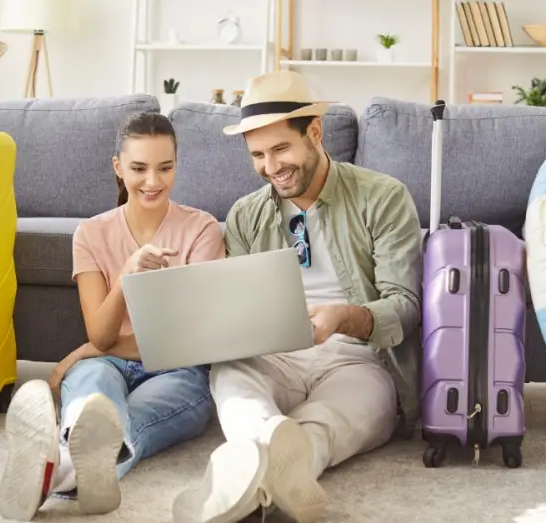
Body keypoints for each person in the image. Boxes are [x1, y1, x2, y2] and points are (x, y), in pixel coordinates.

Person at [172, 70, 424, 523]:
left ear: (314, 132)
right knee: (231, 372)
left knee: (331, 421)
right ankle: (271, 462)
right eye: (258, 156)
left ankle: (257, 476)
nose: (271, 167)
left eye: (281, 149)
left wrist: (342, 317)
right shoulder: (246, 214)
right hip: (275, 356)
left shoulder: (382, 197)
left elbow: (404, 307)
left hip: (358, 358)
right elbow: (237, 309)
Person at [0, 111, 223, 521]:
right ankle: (70, 468)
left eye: (165, 168)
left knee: (113, 416)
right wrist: (126, 274)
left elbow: (190, 339)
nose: (152, 181)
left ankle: (54, 469)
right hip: (108, 362)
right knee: (93, 397)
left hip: (178, 370)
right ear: (118, 167)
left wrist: (84, 349)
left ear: (177, 165)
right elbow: (102, 335)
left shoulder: (202, 230)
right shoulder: (92, 233)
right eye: (138, 168)